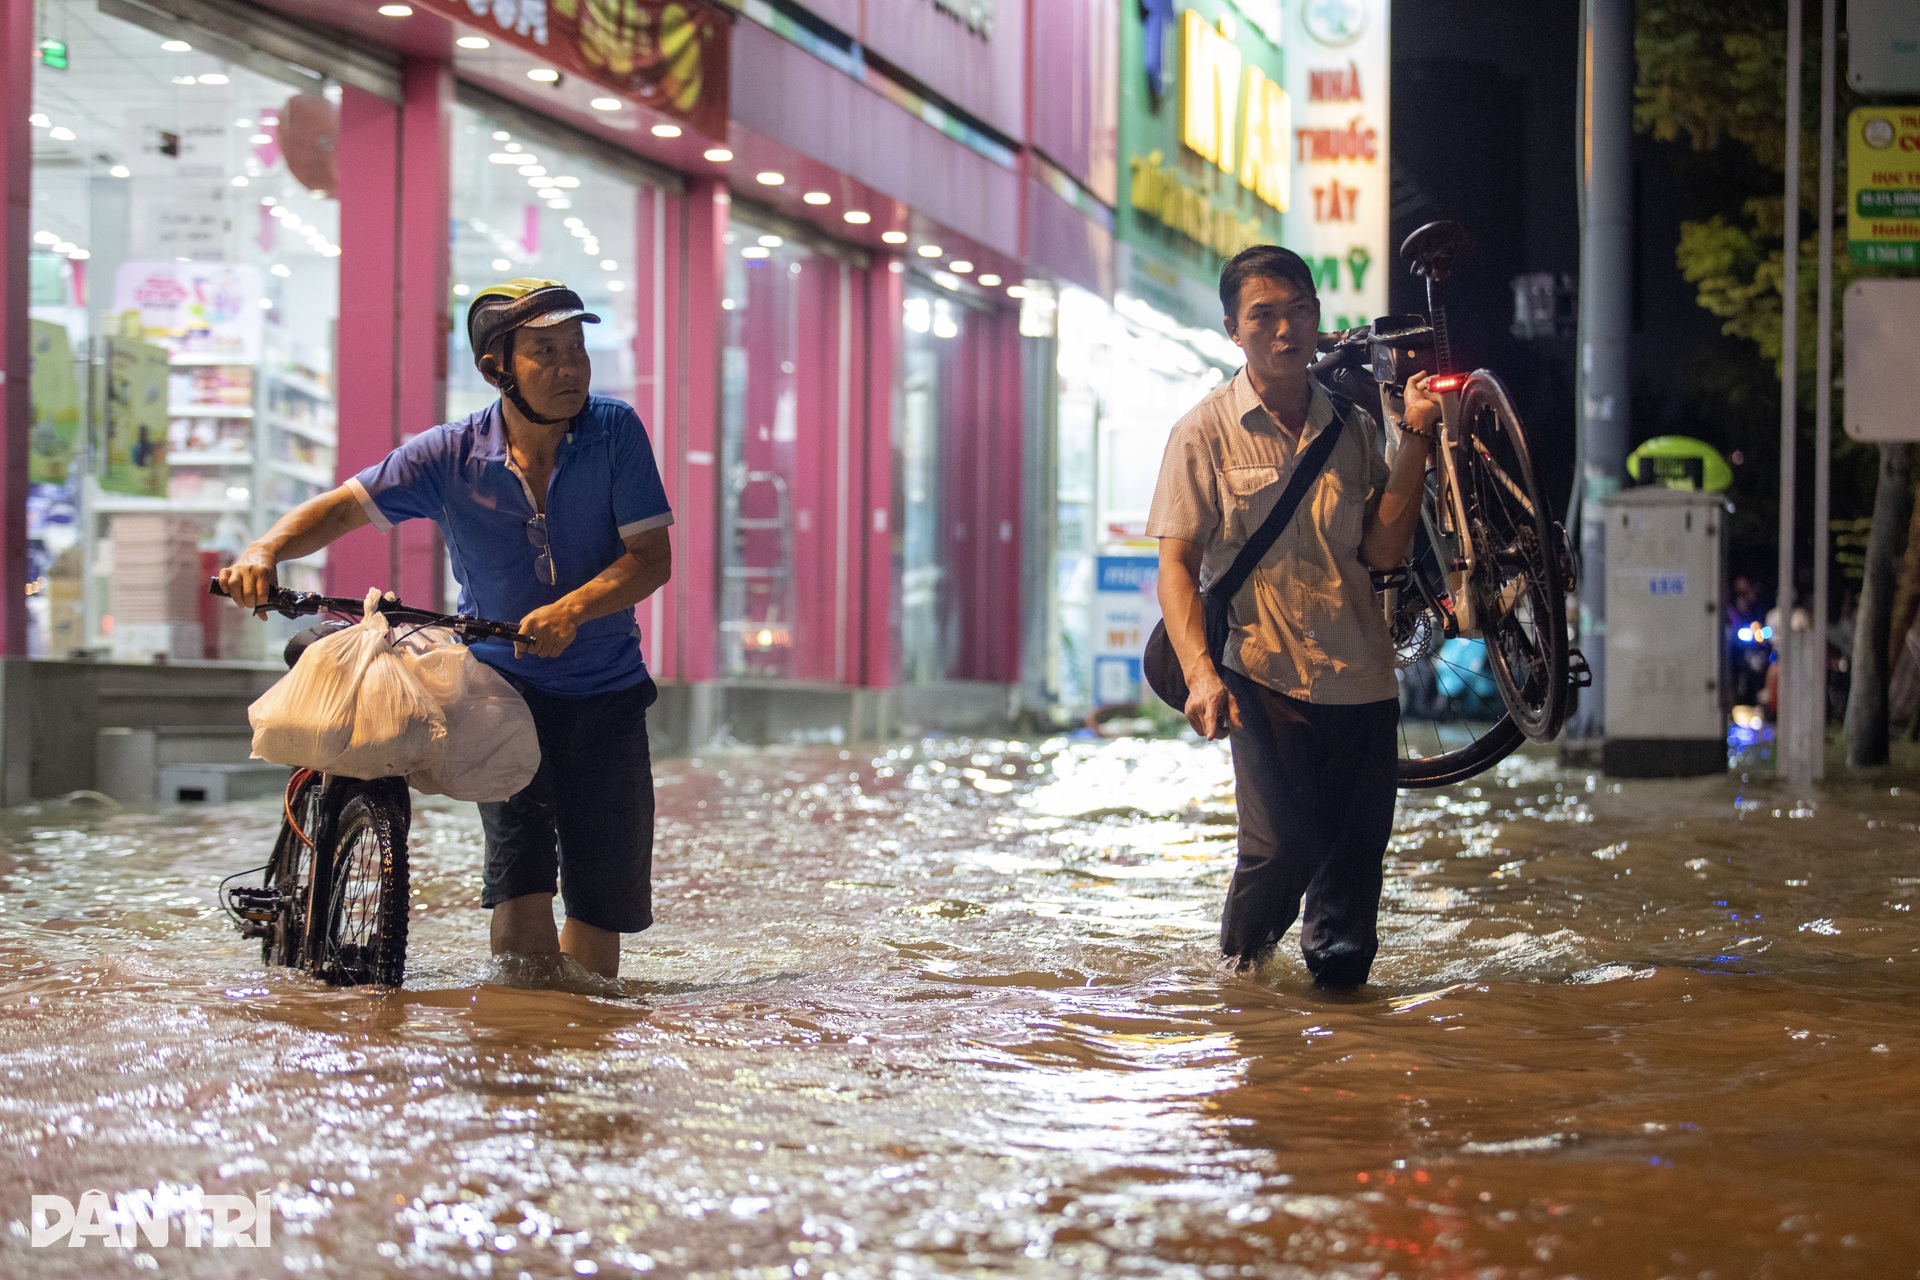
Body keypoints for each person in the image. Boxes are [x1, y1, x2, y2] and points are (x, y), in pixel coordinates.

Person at [218, 279, 673, 980]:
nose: (570, 367)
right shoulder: (449, 455)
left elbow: (650, 561)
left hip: (606, 698)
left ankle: (583, 1059)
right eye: (545, 353)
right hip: (499, 697)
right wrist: (264, 550)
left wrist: (572, 610)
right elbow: (343, 508)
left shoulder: (615, 432)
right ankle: (520, 1047)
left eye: (577, 349)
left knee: (598, 909)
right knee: (520, 883)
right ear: (498, 370)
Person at [1147, 245, 1440, 987]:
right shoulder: (1203, 432)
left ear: (1317, 317)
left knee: (1352, 878)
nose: (1286, 330)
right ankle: (1238, 985)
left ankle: (1338, 1047)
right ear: (1232, 330)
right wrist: (1202, 677)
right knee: (1282, 848)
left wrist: (1416, 444)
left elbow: (1380, 547)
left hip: (1362, 679)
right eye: (1265, 316)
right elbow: (1177, 565)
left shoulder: (1351, 427)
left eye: (1300, 311)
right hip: (1261, 676)